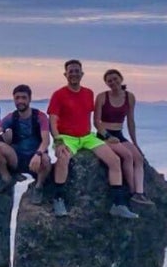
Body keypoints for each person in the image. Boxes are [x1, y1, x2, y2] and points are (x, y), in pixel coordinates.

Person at [47, 59, 138, 219]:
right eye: (71, 71)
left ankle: (118, 204)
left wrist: (106, 136)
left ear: (82, 74)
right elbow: (52, 120)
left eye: (77, 71)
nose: (74, 74)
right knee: (63, 158)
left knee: (115, 160)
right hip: (68, 137)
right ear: (65, 74)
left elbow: (95, 118)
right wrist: (58, 141)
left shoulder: (88, 93)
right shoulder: (59, 94)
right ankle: (58, 199)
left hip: (88, 136)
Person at [95, 69, 152, 205]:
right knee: (127, 156)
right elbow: (96, 122)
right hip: (105, 134)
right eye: (109, 81)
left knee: (138, 157)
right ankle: (133, 192)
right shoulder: (102, 97)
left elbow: (130, 121)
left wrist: (135, 143)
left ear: (121, 79)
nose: (113, 82)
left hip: (119, 133)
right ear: (106, 83)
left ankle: (140, 192)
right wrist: (107, 136)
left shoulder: (129, 97)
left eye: (115, 79)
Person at [0, 84, 52, 194]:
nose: (20, 101)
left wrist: (38, 154)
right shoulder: (12, 117)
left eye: (23, 98)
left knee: (46, 159)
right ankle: (6, 178)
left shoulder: (40, 116)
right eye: (17, 98)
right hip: (17, 157)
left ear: (30, 99)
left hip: (35, 158)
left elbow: (46, 140)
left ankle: (38, 187)